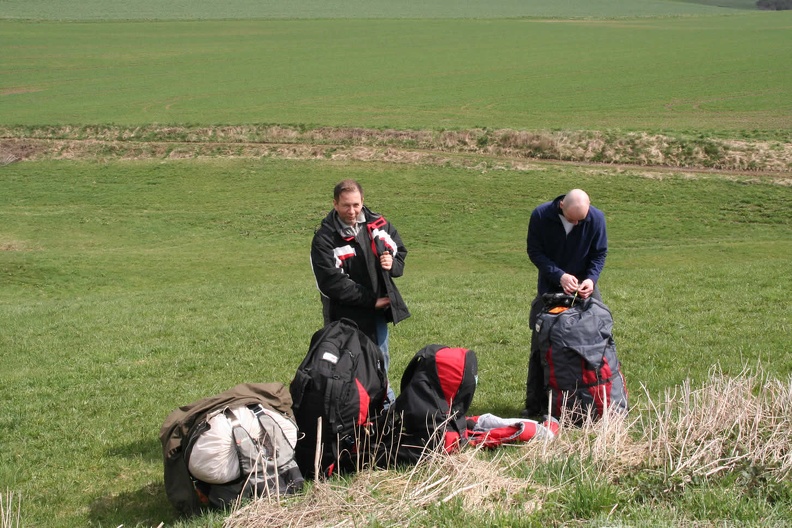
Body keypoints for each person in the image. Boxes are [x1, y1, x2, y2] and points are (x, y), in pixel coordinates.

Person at [310, 179, 410, 404]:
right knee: (347, 365)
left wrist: (391, 263)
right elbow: (331, 283)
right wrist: (370, 301)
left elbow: (399, 251)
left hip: (376, 315)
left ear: (363, 201)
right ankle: (351, 412)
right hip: (343, 317)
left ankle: (384, 410)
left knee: (379, 362)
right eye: (346, 205)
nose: (352, 211)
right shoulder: (324, 239)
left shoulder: (379, 225)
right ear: (335, 204)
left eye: (356, 205)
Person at [522, 188, 608, 417]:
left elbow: (599, 254)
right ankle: (536, 404)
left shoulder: (596, 218)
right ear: (561, 205)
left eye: (583, 220)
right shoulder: (540, 215)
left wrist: (591, 279)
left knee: (597, 336)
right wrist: (558, 275)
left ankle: (593, 400)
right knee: (541, 342)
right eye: (573, 220)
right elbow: (535, 251)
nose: (578, 224)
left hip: (585, 287)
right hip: (551, 284)